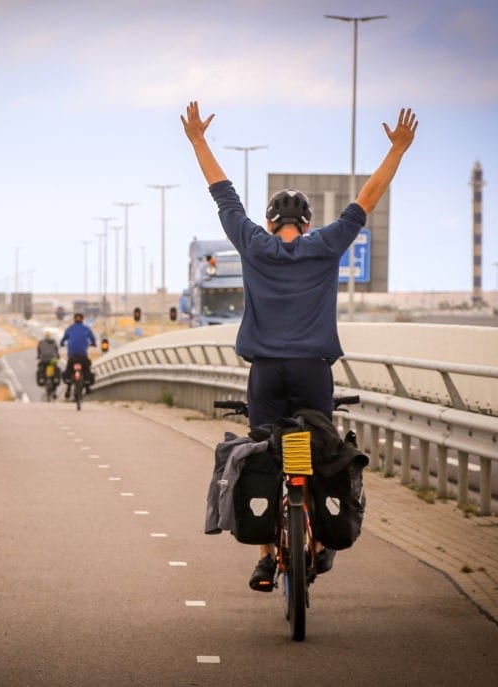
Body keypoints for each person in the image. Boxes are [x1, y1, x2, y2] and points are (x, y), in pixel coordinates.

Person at [182, 100, 418, 591]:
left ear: (270, 224)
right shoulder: (327, 246)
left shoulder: (252, 244)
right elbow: (367, 199)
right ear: (307, 224)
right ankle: (316, 543)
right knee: (317, 450)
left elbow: (223, 195)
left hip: (266, 371)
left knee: (266, 452)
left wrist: (199, 141)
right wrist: (397, 150)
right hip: (313, 369)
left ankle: (267, 558)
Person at [60, 313, 97, 399]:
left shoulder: (70, 328)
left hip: (72, 355)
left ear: (74, 319)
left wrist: (62, 343)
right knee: (86, 368)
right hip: (82, 355)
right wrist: (93, 344)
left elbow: (63, 339)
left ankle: (68, 387)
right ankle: (87, 387)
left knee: (69, 369)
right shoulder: (86, 329)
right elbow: (93, 339)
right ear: (82, 320)